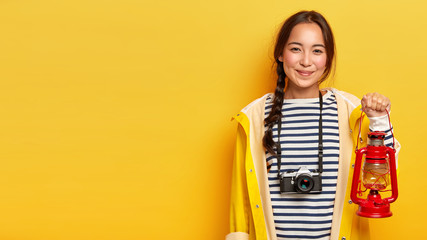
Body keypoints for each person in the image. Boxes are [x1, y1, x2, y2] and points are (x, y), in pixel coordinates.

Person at [226, 10, 401, 240]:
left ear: (327, 58)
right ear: (281, 53)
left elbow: (385, 172)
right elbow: (241, 200)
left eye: (317, 51)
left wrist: (378, 119)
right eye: (296, 49)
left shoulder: (350, 111)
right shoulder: (254, 117)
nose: (306, 61)